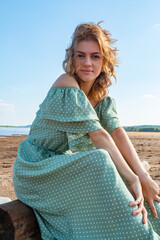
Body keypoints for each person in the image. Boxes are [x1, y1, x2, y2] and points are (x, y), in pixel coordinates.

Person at [13, 22, 160, 240]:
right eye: (80, 56)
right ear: (72, 57)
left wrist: (143, 176)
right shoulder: (66, 84)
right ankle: (141, 235)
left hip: (59, 165)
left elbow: (117, 133)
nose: (87, 63)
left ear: (105, 60)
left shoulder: (102, 96)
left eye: (95, 56)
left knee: (129, 175)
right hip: (34, 169)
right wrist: (132, 178)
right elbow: (99, 135)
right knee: (100, 159)